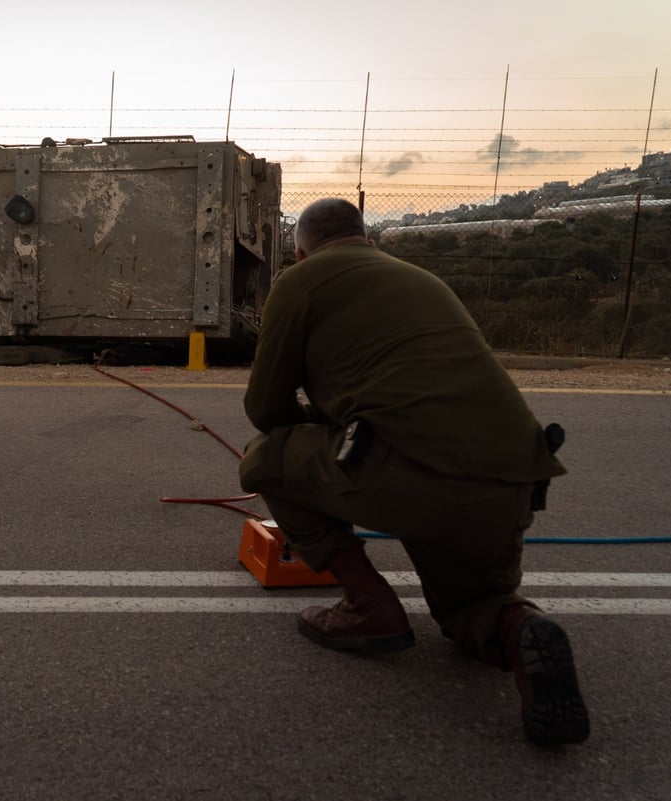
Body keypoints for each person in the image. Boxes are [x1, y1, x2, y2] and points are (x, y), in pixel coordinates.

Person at [238, 197, 590, 746]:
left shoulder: (300, 282)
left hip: (407, 472)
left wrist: (317, 426)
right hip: (514, 480)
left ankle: (368, 606)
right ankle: (521, 627)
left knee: (267, 455)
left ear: (299, 250)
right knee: (471, 609)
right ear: (367, 238)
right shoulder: (421, 278)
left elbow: (266, 409)